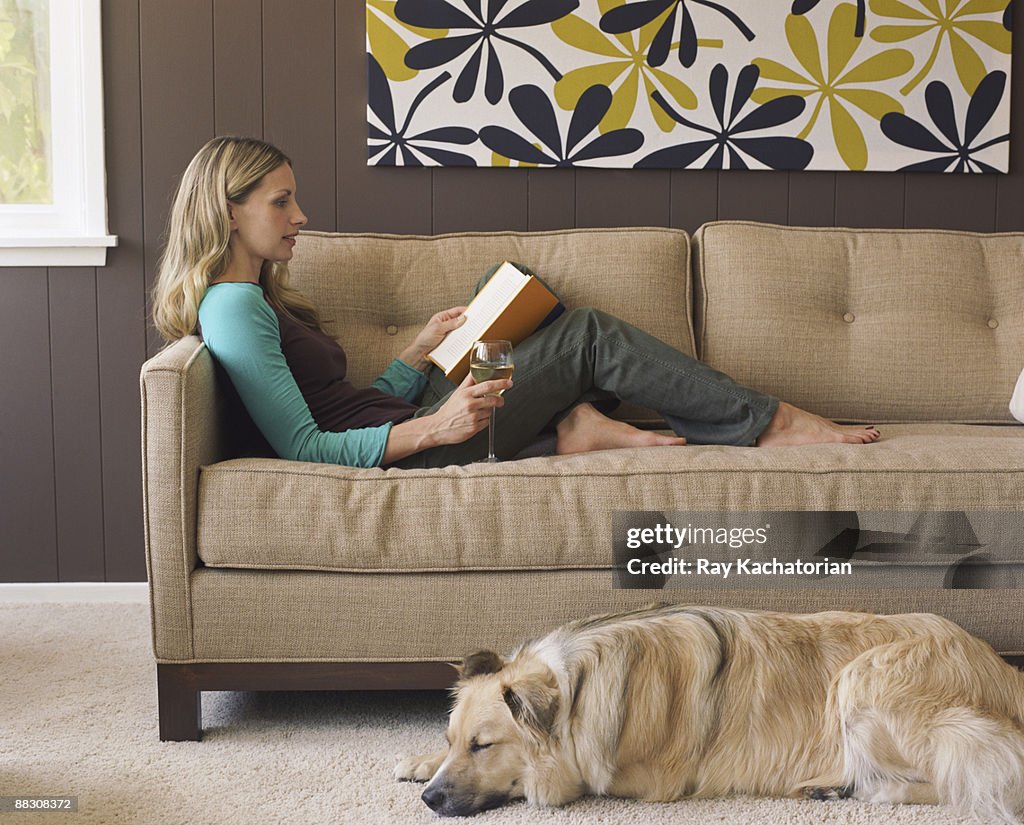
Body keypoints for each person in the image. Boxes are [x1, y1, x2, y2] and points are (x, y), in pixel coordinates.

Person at [152, 136, 880, 469]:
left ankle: (575, 421)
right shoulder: (233, 308)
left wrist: (413, 358)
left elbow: (343, 404)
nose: (301, 215)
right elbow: (306, 447)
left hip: (403, 417)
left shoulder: (255, 297)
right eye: (282, 202)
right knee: (588, 334)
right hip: (414, 452)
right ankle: (767, 420)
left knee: (510, 285)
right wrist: (436, 428)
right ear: (229, 209)